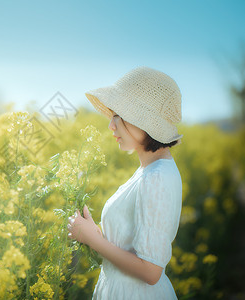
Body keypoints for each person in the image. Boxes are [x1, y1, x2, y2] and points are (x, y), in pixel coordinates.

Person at [67, 67, 183, 299]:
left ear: (145, 122)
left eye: (119, 116)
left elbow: (151, 272)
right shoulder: (148, 170)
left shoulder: (157, 177)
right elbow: (130, 244)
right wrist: (93, 232)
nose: (111, 125)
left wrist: (93, 240)